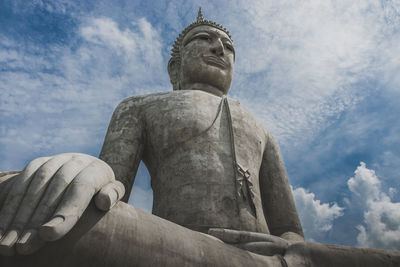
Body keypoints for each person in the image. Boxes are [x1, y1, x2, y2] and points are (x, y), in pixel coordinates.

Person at [4, 9, 398, 267]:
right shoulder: (140, 106)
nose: (219, 48)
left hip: (268, 259)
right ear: (175, 65)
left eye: (228, 46)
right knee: (34, 204)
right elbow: (111, 188)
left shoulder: (260, 128)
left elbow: (290, 229)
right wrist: (83, 171)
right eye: (205, 40)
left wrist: (292, 247)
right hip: (177, 247)